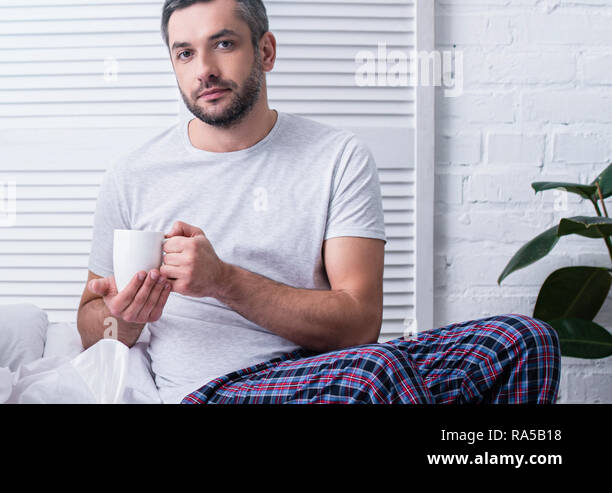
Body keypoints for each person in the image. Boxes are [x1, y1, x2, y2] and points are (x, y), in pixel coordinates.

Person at [76, 0, 560, 403]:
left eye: (223, 44)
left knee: (524, 342)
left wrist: (224, 280)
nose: (204, 70)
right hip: (215, 390)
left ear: (265, 50)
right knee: (373, 376)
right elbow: (93, 330)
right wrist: (127, 316)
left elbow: (359, 325)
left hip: (336, 365)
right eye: (184, 53)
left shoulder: (337, 156)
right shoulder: (133, 175)